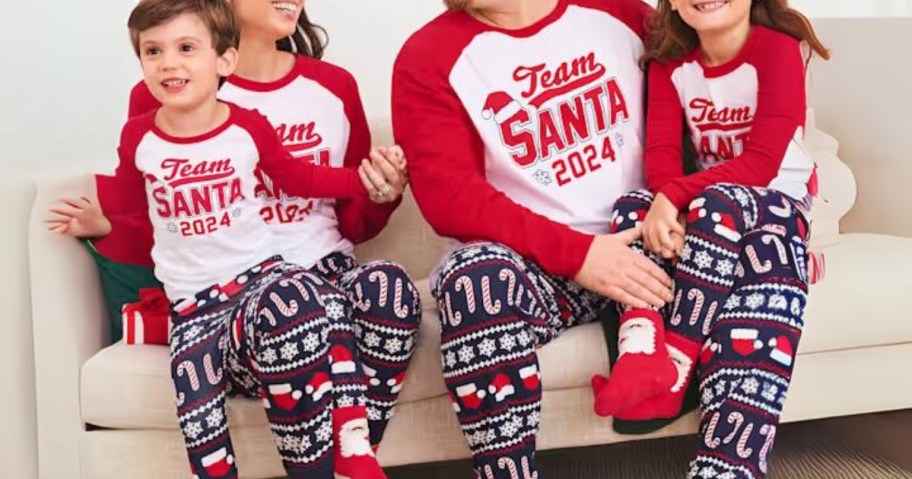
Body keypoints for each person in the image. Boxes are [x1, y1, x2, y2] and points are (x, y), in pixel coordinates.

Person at [46, 1, 390, 477]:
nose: (169, 62)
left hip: (265, 282)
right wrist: (104, 227)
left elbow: (299, 178)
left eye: (186, 48)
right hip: (194, 309)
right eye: (153, 51)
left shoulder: (252, 124)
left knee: (310, 299)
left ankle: (352, 442)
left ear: (221, 61)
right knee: (202, 432)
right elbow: (133, 202)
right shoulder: (141, 134)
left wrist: (367, 183)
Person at [124, 0, 422, 451]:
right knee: (288, 307)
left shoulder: (334, 87)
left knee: (390, 290)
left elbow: (353, 224)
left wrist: (382, 194)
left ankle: (355, 454)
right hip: (244, 300)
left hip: (329, 276)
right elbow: (160, 220)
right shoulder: (171, 85)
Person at [392, 0, 672, 477]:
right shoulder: (428, 55)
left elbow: (700, 102)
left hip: (644, 244)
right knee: (471, 276)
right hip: (535, 269)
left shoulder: (622, 14)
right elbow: (450, 199)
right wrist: (579, 254)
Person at [591, 1, 828, 477]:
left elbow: (761, 164)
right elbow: (660, 151)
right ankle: (640, 347)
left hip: (774, 201)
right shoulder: (668, 64)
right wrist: (666, 205)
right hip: (706, 211)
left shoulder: (778, 50)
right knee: (631, 209)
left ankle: (675, 362)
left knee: (719, 201)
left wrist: (676, 197)